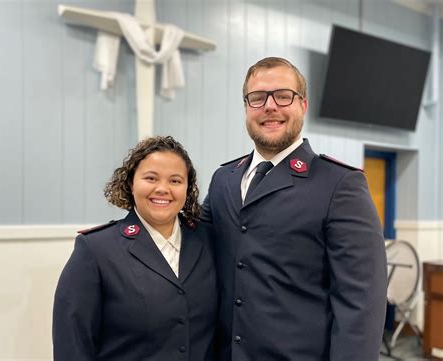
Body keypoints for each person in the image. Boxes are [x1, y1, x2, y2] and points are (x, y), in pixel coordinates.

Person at [201, 57, 387, 361]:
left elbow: (361, 303)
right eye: (257, 98)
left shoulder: (339, 184)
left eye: (283, 96)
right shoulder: (224, 179)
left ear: (303, 105)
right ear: (246, 108)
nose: (270, 106)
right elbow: (190, 241)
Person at [53, 136, 218, 361]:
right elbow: (72, 344)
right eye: (151, 178)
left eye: (175, 181)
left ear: (187, 188)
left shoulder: (207, 239)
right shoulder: (96, 250)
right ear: (131, 183)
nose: (163, 189)